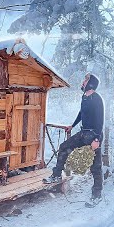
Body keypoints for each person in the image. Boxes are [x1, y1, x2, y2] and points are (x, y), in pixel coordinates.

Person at [43, 72, 104, 205]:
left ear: (91, 83)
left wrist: (97, 140)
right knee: (64, 147)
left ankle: (97, 195)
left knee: (95, 166)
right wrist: (72, 125)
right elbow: (81, 113)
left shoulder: (97, 98)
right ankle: (56, 174)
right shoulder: (85, 97)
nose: (83, 82)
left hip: (94, 135)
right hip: (84, 133)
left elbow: (100, 120)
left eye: (85, 80)